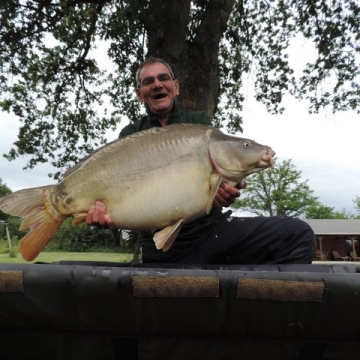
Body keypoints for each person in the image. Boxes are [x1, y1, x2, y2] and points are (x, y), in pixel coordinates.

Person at [86, 57, 315, 264]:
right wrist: (101, 214)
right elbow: (120, 201)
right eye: (148, 81)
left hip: (214, 233)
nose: (157, 84)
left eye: (163, 78)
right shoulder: (130, 136)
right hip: (161, 246)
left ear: (176, 87)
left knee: (298, 235)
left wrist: (224, 193)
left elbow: (219, 187)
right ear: (139, 93)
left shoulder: (200, 125)